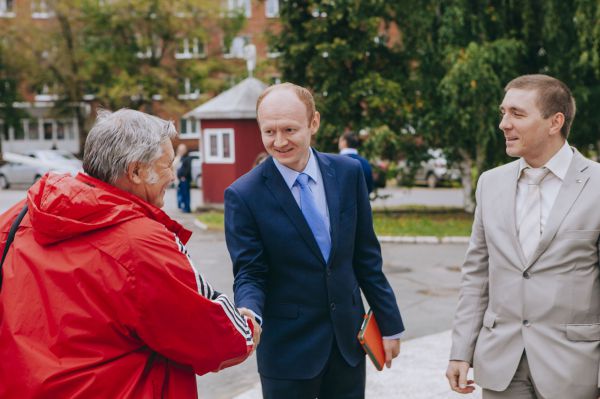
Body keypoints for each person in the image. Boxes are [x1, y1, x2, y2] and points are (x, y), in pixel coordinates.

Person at [0, 109, 258, 398]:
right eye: (166, 165)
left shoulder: (20, 216)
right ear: (135, 172)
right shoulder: (142, 243)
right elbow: (211, 336)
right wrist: (247, 327)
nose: (173, 176)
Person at [224, 83, 404, 399]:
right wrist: (249, 310)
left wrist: (389, 325)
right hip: (288, 352)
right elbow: (250, 272)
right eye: (269, 132)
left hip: (348, 345)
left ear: (314, 123)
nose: (279, 142)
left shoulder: (348, 174)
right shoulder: (243, 195)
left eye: (290, 129)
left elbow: (366, 258)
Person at [446, 74, 600, 399]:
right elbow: (476, 276)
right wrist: (460, 350)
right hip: (502, 366)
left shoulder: (597, 185)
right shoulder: (490, 183)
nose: (504, 123)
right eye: (503, 112)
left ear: (554, 122)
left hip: (574, 367)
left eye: (517, 114)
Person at [177, 148, 193, 213]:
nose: (181, 152)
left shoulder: (188, 159)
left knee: (186, 194)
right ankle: (184, 207)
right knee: (183, 194)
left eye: (182, 150)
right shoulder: (182, 158)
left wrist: (184, 176)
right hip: (181, 179)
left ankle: (187, 208)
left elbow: (188, 169)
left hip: (185, 179)